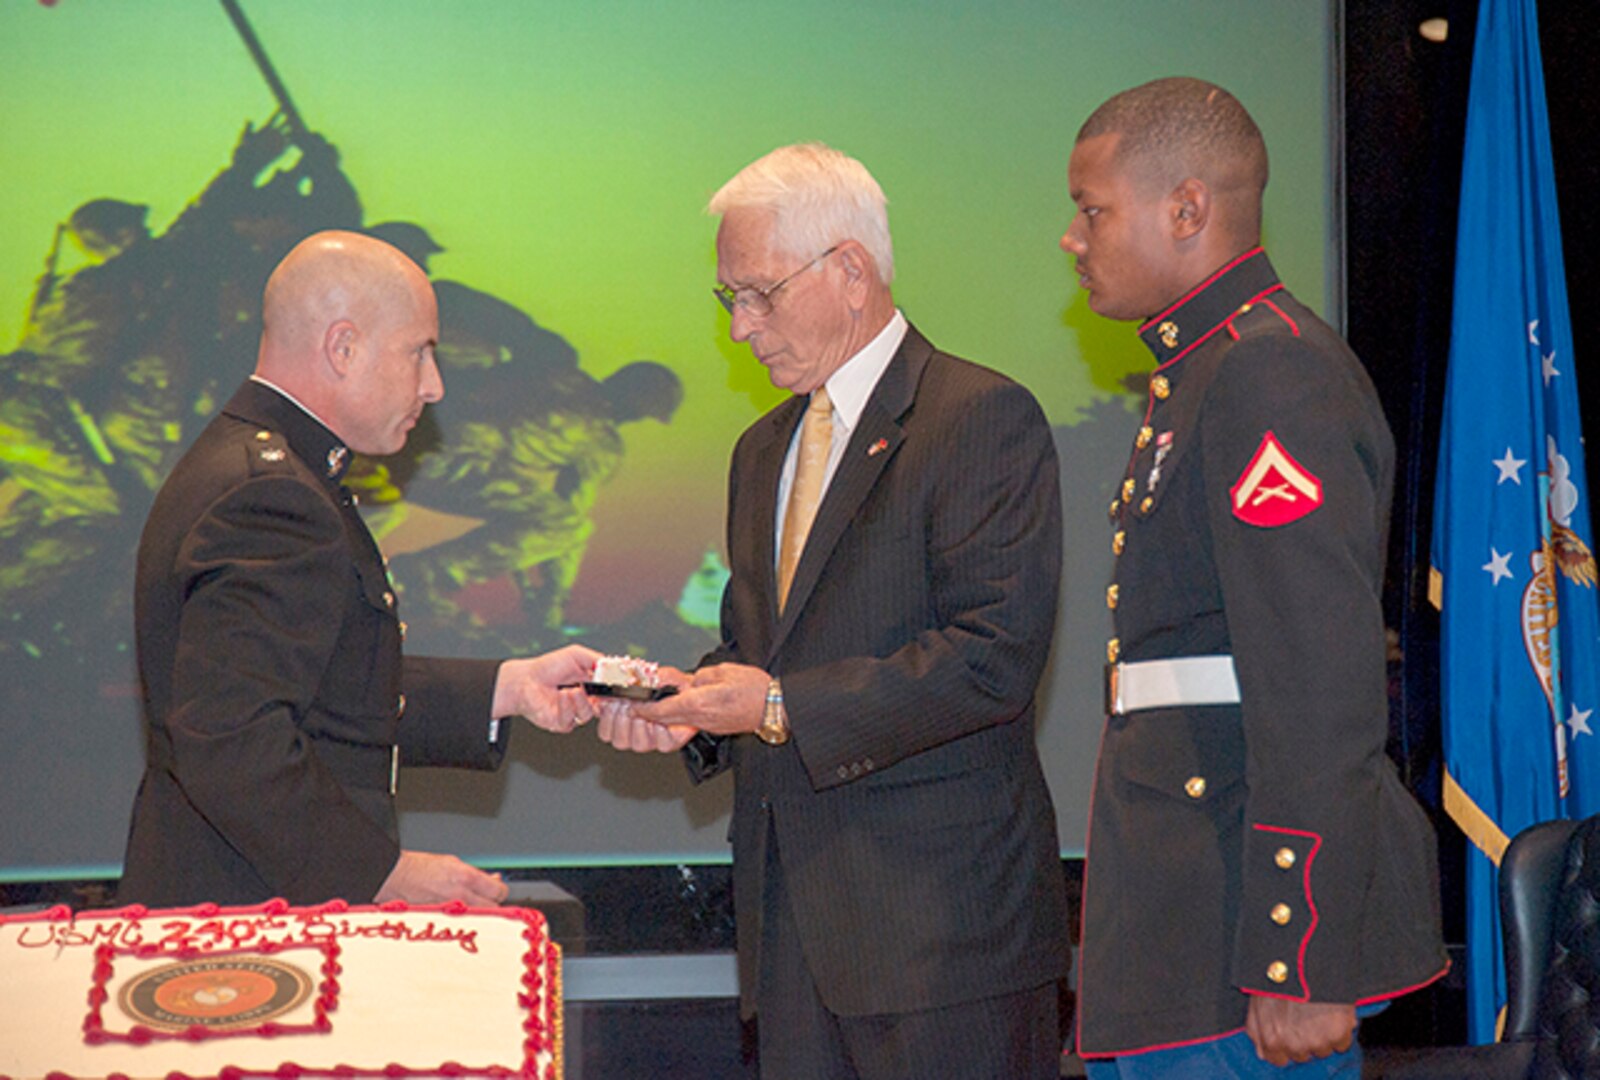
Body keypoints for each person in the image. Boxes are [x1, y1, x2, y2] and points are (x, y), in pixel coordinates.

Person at [600, 143, 1068, 1078]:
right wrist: (685, 707)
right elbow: (763, 649)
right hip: (791, 939)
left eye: (760, 294)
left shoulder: (979, 416)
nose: (741, 327)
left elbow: (991, 658)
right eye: (728, 298)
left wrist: (774, 707)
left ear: (850, 271)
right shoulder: (761, 449)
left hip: (944, 945)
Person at [1060, 78, 1448, 1076]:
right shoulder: (1198, 376)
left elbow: (1319, 684)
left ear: (1185, 209)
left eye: (1091, 209)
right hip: (1184, 925)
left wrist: (1299, 952)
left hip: (1239, 947)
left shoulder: (1267, 374)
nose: (1072, 237)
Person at [119, 231, 604, 909]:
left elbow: (326, 681)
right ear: (343, 348)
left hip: (243, 911)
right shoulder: (271, 495)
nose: (434, 386)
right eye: (419, 353)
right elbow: (233, 740)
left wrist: (509, 688)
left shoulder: (267, 467)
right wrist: (381, 874)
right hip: (245, 940)